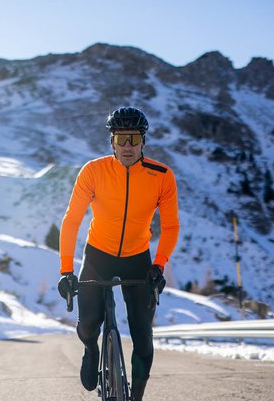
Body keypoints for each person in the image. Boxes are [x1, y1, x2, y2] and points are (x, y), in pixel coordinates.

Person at [57, 107, 179, 401]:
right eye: (121, 138)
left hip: (138, 259)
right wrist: (65, 270)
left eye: (134, 138)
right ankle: (91, 348)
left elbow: (171, 225)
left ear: (143, 142)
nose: (127, 146)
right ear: (112, 141)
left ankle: (135, 397)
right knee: (87, 324)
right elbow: (72, 219)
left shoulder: (161, 176)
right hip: (98, 255)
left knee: (143, 337)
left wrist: (159, 266)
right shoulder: (94, 171)